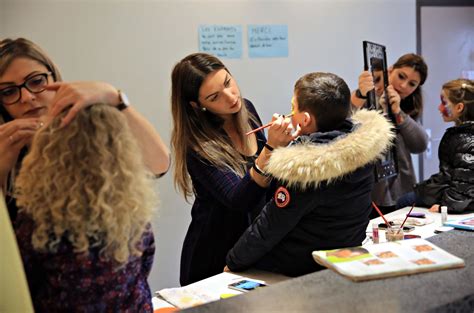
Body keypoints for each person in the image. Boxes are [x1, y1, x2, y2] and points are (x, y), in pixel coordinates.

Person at [225, 72, 394, 276]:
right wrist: (300, 143)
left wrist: (233, 261)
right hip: (343, 258)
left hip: (302, 266)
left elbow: (270, 226)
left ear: (304, 119)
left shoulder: (307, 170)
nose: (289, 114)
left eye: (292, 108)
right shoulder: (361, 149)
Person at [0, 37, 170, 222]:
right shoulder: (5, 149)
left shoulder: (86, 127)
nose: (26, 96)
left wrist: (115, 97)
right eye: (8, 92)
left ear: (54, 78)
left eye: (36, 81)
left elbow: (158, 165)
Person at [14, 104, 156, 312]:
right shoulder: (132, 210)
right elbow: (145, 264)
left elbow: (24, 286)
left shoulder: (36, 224)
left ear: (49, 151)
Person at [171, 52, 297, 285]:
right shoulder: (198, 145)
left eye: (228, 82)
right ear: (197, 105)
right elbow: (240, 199)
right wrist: (270, 148)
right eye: (214, 96)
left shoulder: (247, 111)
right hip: (213, 258)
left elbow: (268, 186)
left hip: (252, 249)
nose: (230, 97)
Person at [351, 53, 429, 214]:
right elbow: (344, 126)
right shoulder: (366, 96)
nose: (404, 85)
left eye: (412, 84)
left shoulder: (408, 107)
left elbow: (420, 145)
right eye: (401, 76)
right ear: (390, 70)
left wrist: (398, 111)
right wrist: (361, 95)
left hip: (402, 189)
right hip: (370, 190)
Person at [397, 79, 474, 213]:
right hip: (453, 192)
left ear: (459, 107)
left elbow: (464, 182)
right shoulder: (461, 135)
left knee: (404, 202)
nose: (439, 108)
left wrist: (446, 207)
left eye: (444, 103)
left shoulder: (466, 141)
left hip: (457, 198)